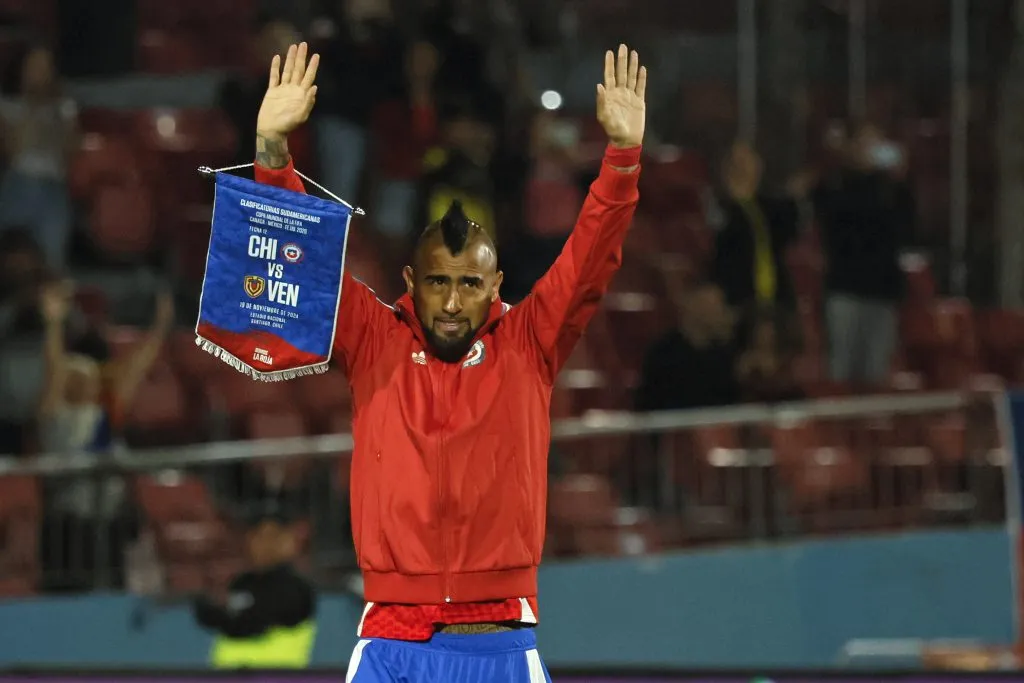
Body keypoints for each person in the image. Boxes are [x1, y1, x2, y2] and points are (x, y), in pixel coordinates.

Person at [249, 41, 646, 682]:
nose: (454, 300)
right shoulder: (373, 340)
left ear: (495, 286)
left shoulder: (529, 344)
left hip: (499, 640)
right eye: (439, 282)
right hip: (388, 638)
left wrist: (622, 160)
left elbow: (591, 259)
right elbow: (305, 254)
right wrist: (273, 153)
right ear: (412, 280)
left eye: (469, 283)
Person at [809, 122, 913, 386]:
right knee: (841, 370)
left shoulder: (890, 188)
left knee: (876, 372)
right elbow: (835, 222)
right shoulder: (836, 184)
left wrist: (898, 180)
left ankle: (871, 428)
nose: (871, 151)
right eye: (865, 144)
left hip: (882, 292)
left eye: (875, 144)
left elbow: (907, 227)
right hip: (846, 290)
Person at [194, 505, 317, 669]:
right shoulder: (241, 582)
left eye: (272, 536)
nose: (263, 544)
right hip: (227, 676)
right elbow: (208, 614)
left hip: (277, 676)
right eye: (257, 535)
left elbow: (257, 622)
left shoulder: (297, 588)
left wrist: (228, 613)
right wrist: (214, 597)